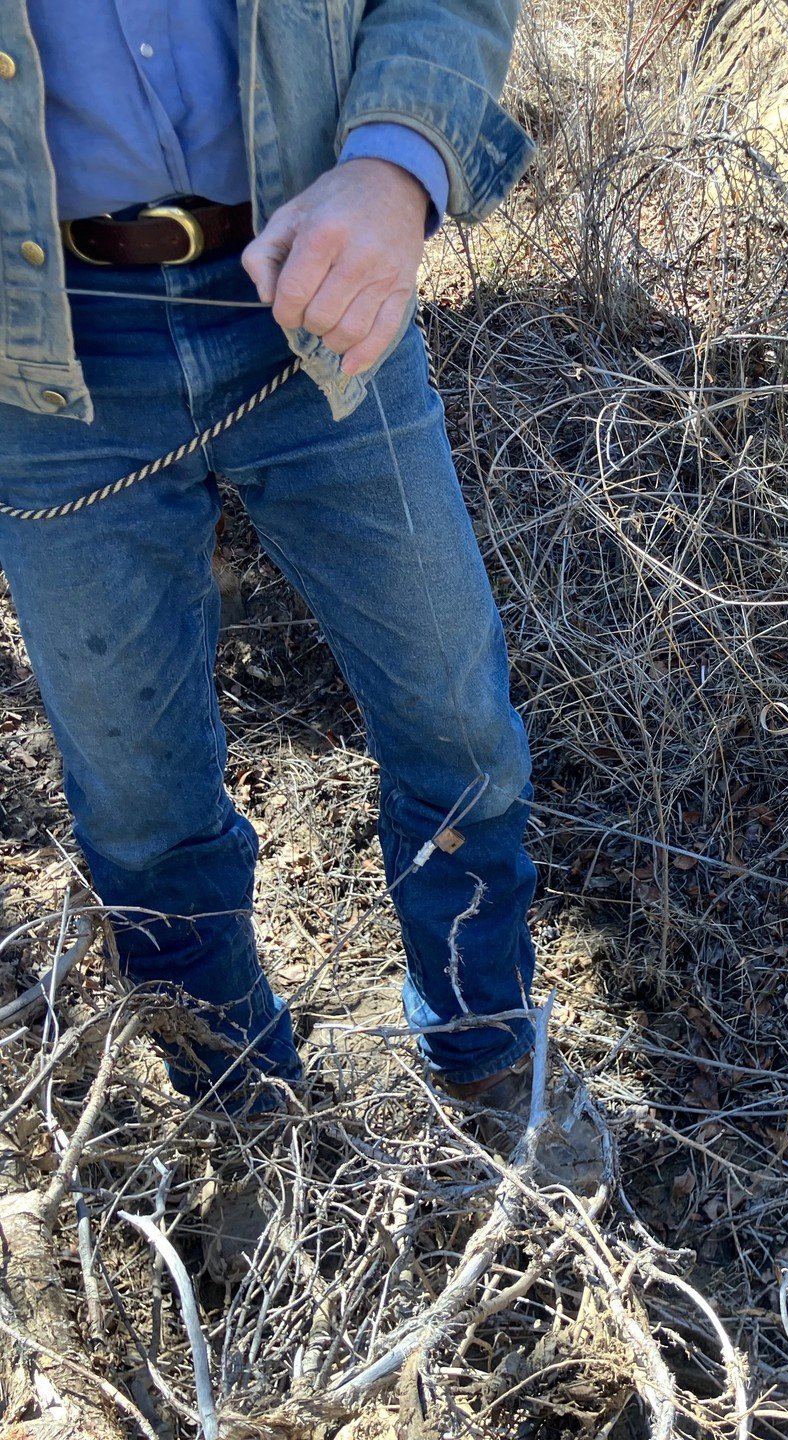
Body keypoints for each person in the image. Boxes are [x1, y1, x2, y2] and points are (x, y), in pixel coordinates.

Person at [0, 0, 541, 1121]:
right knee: (139, 804)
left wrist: (397, 170)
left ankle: (488, 1061)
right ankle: (241, 1115)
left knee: (457, 720)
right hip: (43, 363)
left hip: (329, 282)